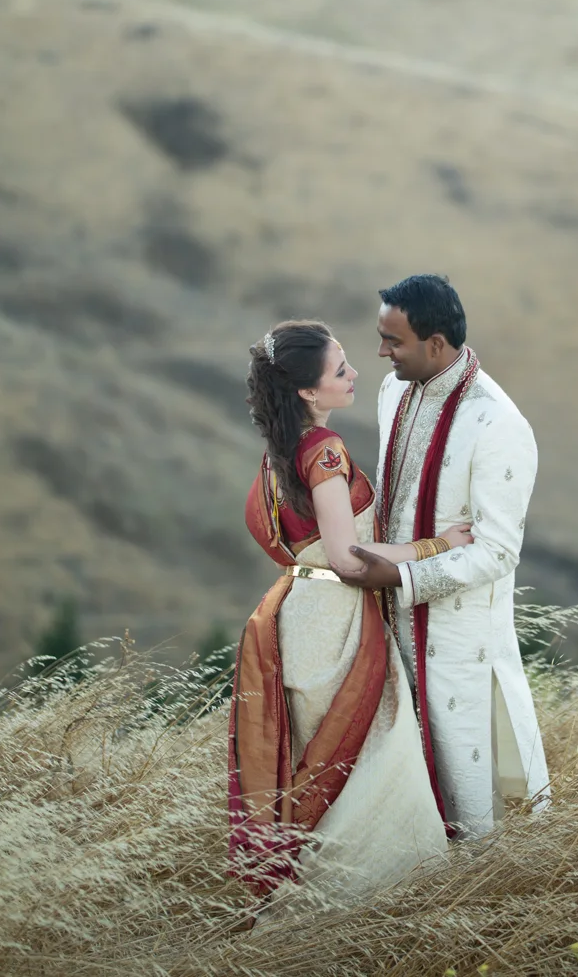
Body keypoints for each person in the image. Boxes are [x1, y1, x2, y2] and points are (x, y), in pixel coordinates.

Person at [228, 318, 463, 906]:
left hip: (296, 616)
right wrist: (437, 549)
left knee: (322, 767)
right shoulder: (325, 450)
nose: (355, 372)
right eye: (340, 369)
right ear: (308, 391)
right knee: (372, 755)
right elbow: (346, 556)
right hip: (333, 622)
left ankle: (316, 912)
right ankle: (367, 902)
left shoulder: (278, 456)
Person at [334, 274, 550, 839]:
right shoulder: (393, 391)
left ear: (435, 344)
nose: (381, 353)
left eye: (393, 341)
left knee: (470, 807)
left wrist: (404, 575)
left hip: (459, 645)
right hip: (387, 626)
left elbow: (499, 551)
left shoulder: (498, 423)